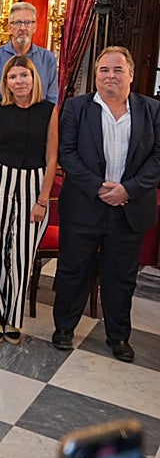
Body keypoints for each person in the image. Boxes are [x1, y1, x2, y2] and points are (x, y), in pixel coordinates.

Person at [52, 46, 160, 363]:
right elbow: (66, 153)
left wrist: (128, 189)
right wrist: (99, 188)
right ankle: (63, 329)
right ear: (96, 75)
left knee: (121, 277)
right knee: (73, 271)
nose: (110, 76)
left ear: (130, 74)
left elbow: (157, 158)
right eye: (103, 70)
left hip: (129, 208)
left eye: (116, 70)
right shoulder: (76, 108)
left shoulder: (152, 110)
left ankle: (118, 337)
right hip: (85, 206)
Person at [0, 56, 58, 345]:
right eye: (13, 77)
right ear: (6, 82)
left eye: (24, 75)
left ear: (34, 78)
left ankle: (13, 318)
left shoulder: (49, 110)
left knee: (22, 254)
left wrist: (43, 199)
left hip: (34, 184)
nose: (19, 81)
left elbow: (52, 157)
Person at [0, 2, 59, 127]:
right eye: (18, 23)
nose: (23, 28)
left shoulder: (48, 59)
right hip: (1, 136)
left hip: (36, 133)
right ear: (9, 27)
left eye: (28, 23)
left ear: (35, 27)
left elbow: (51, 101)